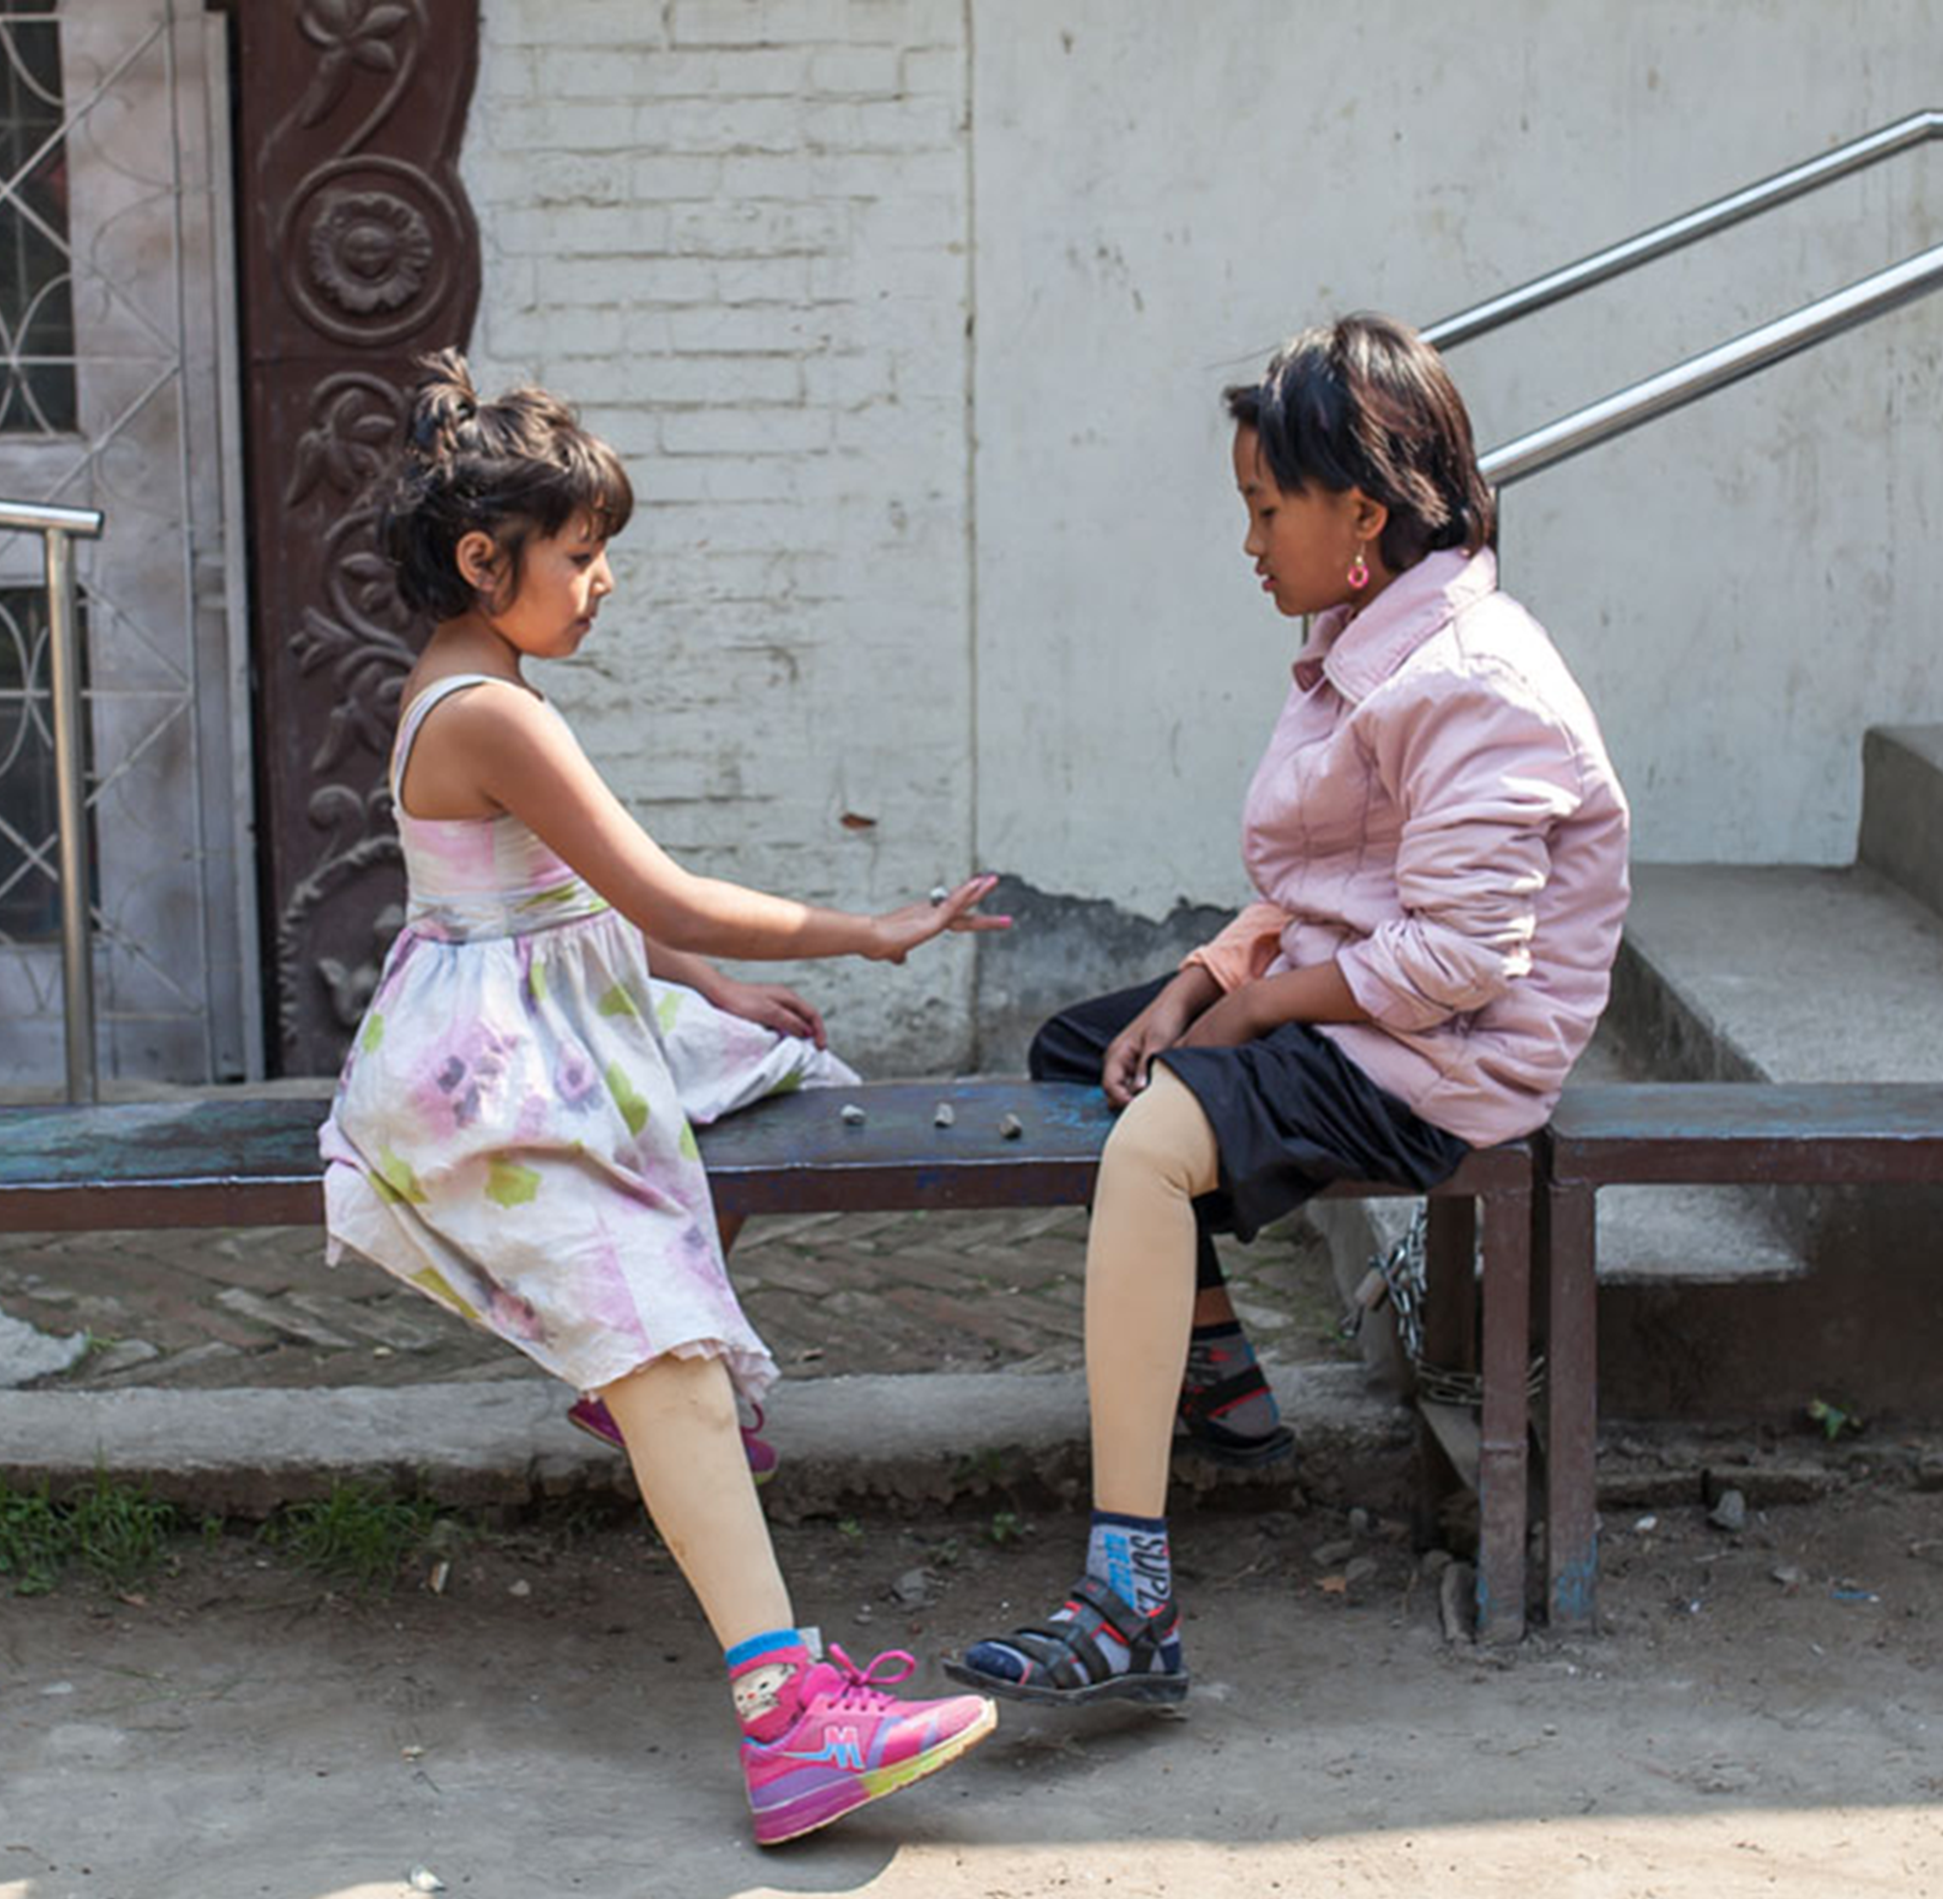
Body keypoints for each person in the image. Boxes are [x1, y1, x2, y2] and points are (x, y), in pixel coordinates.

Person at [318, 350, 1008, 1842]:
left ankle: (629, 1379)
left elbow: (586, 904)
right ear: (482, 559)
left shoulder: (485, 684)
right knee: (670, 1345)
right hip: (491, 1071)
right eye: (581, 554)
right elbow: (653, 880)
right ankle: (790, 1718)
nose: (604, 580)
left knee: (785, 1071)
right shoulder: (486, 713)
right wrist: (863, 926)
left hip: (557, 1014)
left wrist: (711, 987)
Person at [947, 313, 1629, 1706]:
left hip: (1442, 1058)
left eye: (1265, 510)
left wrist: (1249, 1023)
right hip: (1365, 1004)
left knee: (1152, 1135)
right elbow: (1320, 888)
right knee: (1088, 1048)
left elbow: (1456, 963)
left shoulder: (1473, 683)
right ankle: (1226, 1389)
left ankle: (1128, 1597)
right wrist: (1205, 981)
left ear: (1359, 510)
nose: (1248, 541)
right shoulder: (1365, 636)